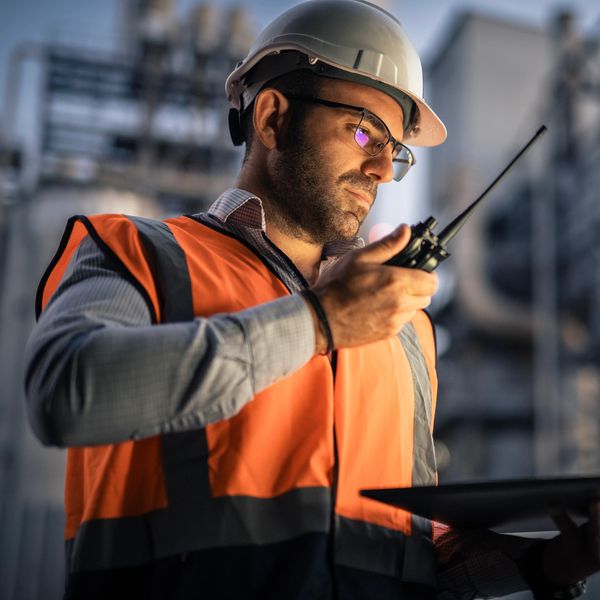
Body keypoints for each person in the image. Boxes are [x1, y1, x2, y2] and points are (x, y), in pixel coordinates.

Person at [24, 1, 600, 598]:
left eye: (396, 153)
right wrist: (319, 322)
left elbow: (408, 547)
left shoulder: (405, 330)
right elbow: (66, 394)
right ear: (272, 118)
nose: (381, 169)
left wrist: (544, 565)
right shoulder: (138, 254)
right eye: (362, 132)